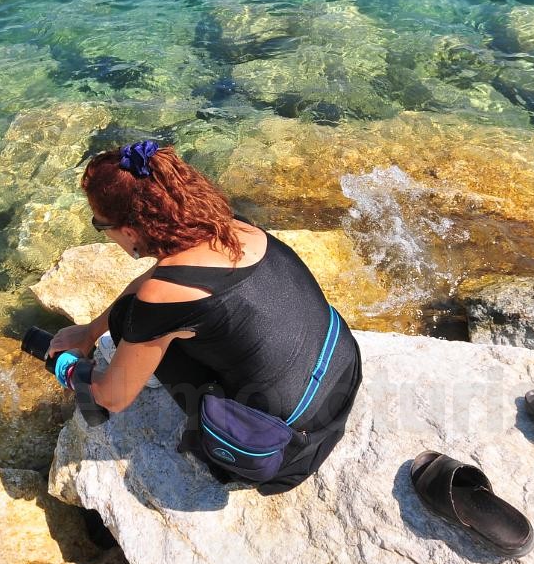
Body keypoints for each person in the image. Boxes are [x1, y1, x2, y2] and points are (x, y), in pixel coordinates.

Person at [46, 139, 363, 494]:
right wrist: (89, 332)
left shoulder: (164, 295)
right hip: (340, 379)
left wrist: (70, 369)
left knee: (129, 322)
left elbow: (114, 397)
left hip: (285, 446)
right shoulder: (229, 227)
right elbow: (157, 278)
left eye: (100, 225)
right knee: (142, 317)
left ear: (130, 231)